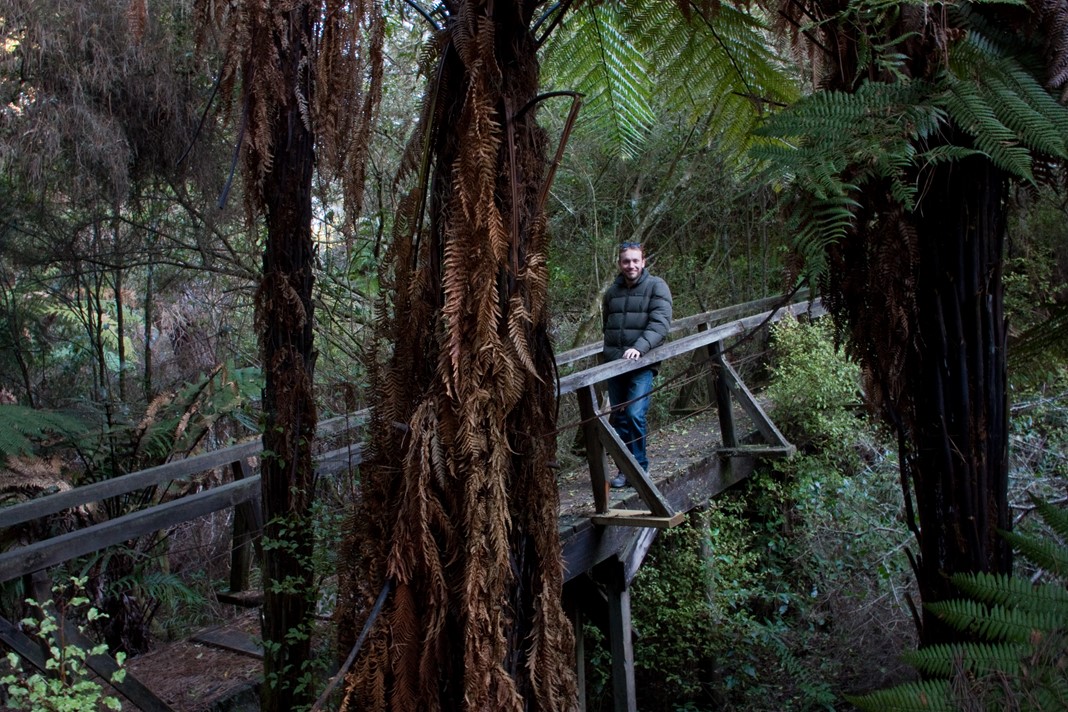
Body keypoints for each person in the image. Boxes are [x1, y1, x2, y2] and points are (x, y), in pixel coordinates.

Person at [602, 241, 673, 488]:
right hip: (615, 364)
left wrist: (639, 348)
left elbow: (660, 324)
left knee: (634, 414)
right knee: (619, 418)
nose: (630, 265)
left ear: (643, 262)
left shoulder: (656, 287)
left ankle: (639, 469)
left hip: (641, 363)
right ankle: (625, 471)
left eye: (635, 260)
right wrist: (612, 356)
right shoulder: (612, 292)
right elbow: (607, 326)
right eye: (626, 261)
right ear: (620, 263)